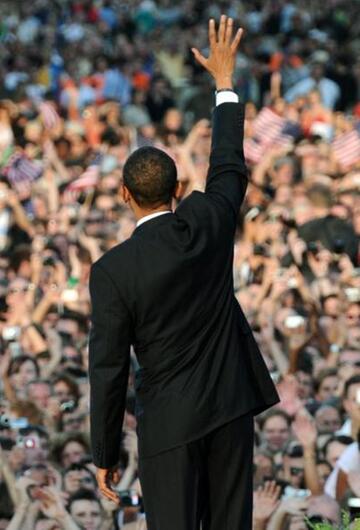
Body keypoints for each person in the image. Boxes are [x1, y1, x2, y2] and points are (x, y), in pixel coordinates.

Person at [88, 15, 279, 530]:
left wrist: (104, 450)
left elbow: (108, 370)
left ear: (124, 194)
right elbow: (228, 167)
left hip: (169, 425)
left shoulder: (112, 271)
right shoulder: (207, 223)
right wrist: (224, 85)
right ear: (176, 191)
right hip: (230, 406)